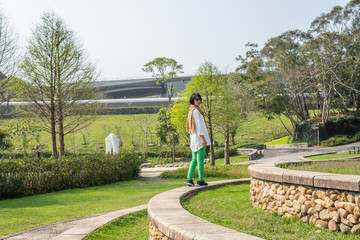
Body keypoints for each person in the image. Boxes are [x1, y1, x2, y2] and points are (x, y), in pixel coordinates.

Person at [185, 93, 211, 186]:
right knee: (200, 160)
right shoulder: (196, 111)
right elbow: (199, 126)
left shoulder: (191, 111)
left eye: (199, 99)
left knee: (194, 160)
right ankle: (200, 180)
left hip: (194, 139)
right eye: (197, 99)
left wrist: (205, 126)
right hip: (199, 139)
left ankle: (189, 179)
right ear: (193, 100)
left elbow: (195, 125)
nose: (199, 101)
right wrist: (203, 139)